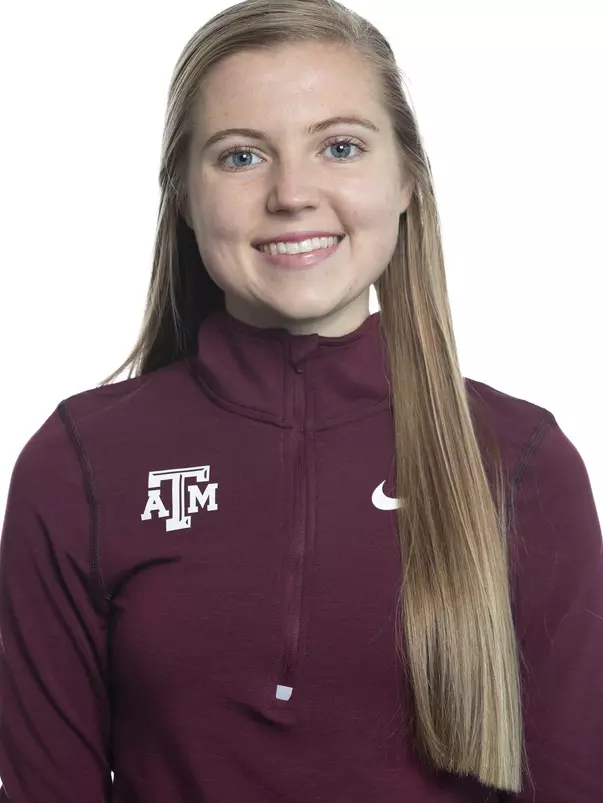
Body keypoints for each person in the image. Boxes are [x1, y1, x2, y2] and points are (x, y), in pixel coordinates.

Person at [1, 0, 602, 800]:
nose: (292, 193)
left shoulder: (520, 461)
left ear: (406, 183)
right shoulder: (79, 465)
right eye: (242, 156)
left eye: (340, 147)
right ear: (183, 196)